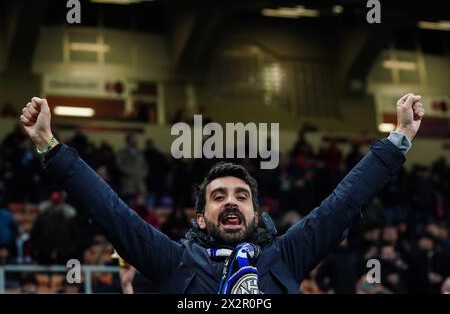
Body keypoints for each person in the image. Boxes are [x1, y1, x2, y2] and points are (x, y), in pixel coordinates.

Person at [19, 93, 425, 293]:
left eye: (241, 196)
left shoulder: (286, 255)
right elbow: (108, 209)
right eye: (218, 196)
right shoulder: (174, 262)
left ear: (254, 212)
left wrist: (399, 140)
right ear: (200, 218)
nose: (231, 200)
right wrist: (47, 146)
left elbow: (344, 203)